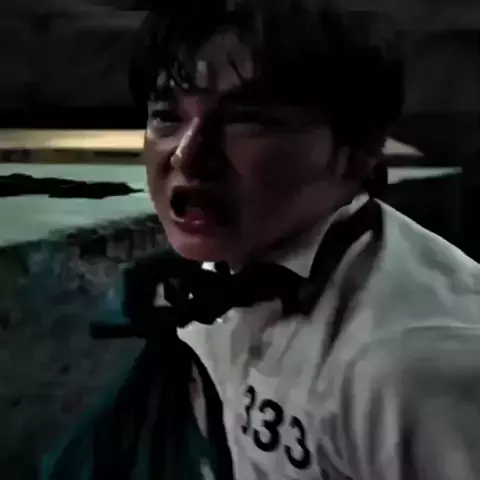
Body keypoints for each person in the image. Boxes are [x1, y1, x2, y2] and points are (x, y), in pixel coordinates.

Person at [130, 1, 480, 479]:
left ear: (355, 154)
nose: (186, 156)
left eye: (246, 121)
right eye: (166, 116)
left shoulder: (414, 367)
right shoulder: (216, 267)